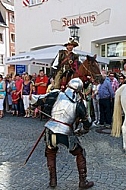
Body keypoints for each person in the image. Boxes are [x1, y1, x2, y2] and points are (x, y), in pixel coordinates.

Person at [43, 78, 94, 189]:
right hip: (66, 131)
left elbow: (38, 100)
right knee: (80, 153)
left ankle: (52, 181)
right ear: (79, 90)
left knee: (50, 152)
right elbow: (87, 123)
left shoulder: (56, 94)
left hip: (50, 129)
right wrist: (83, 130)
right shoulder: (79, 103)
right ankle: (83, 181)